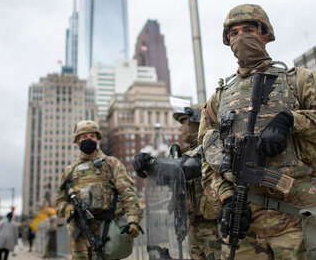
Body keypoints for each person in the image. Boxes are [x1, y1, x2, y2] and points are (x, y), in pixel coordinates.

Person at [199, 4, 316, 259]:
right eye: (234, 33)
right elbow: (206, 157)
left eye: (248, 30)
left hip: (296, 210)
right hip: (243, 214)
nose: (240, 37)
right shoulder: (219, 98)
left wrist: (291, 120)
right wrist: (225, 198)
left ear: (265, 35)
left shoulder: (298, 80)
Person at [133, 103, 221, 260]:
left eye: (185, 122)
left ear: (198, 120)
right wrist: (147, 165)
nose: (182, 128)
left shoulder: (213, 145)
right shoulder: (186, 152)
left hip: (214, 225)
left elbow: (187, 168)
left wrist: (154, 163)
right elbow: (168, 177)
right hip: (193, 226)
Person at [55, 120, 143, 260]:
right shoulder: (69, 172)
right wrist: (67, 208)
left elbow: (127, 193)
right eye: (84, 137)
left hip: (107, 230)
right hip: (79, 236)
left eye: (92, 136)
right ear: (77, 141)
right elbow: (59, 202)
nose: (88, 139)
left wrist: (133, 220)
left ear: (97, 139)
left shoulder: (110, 164)